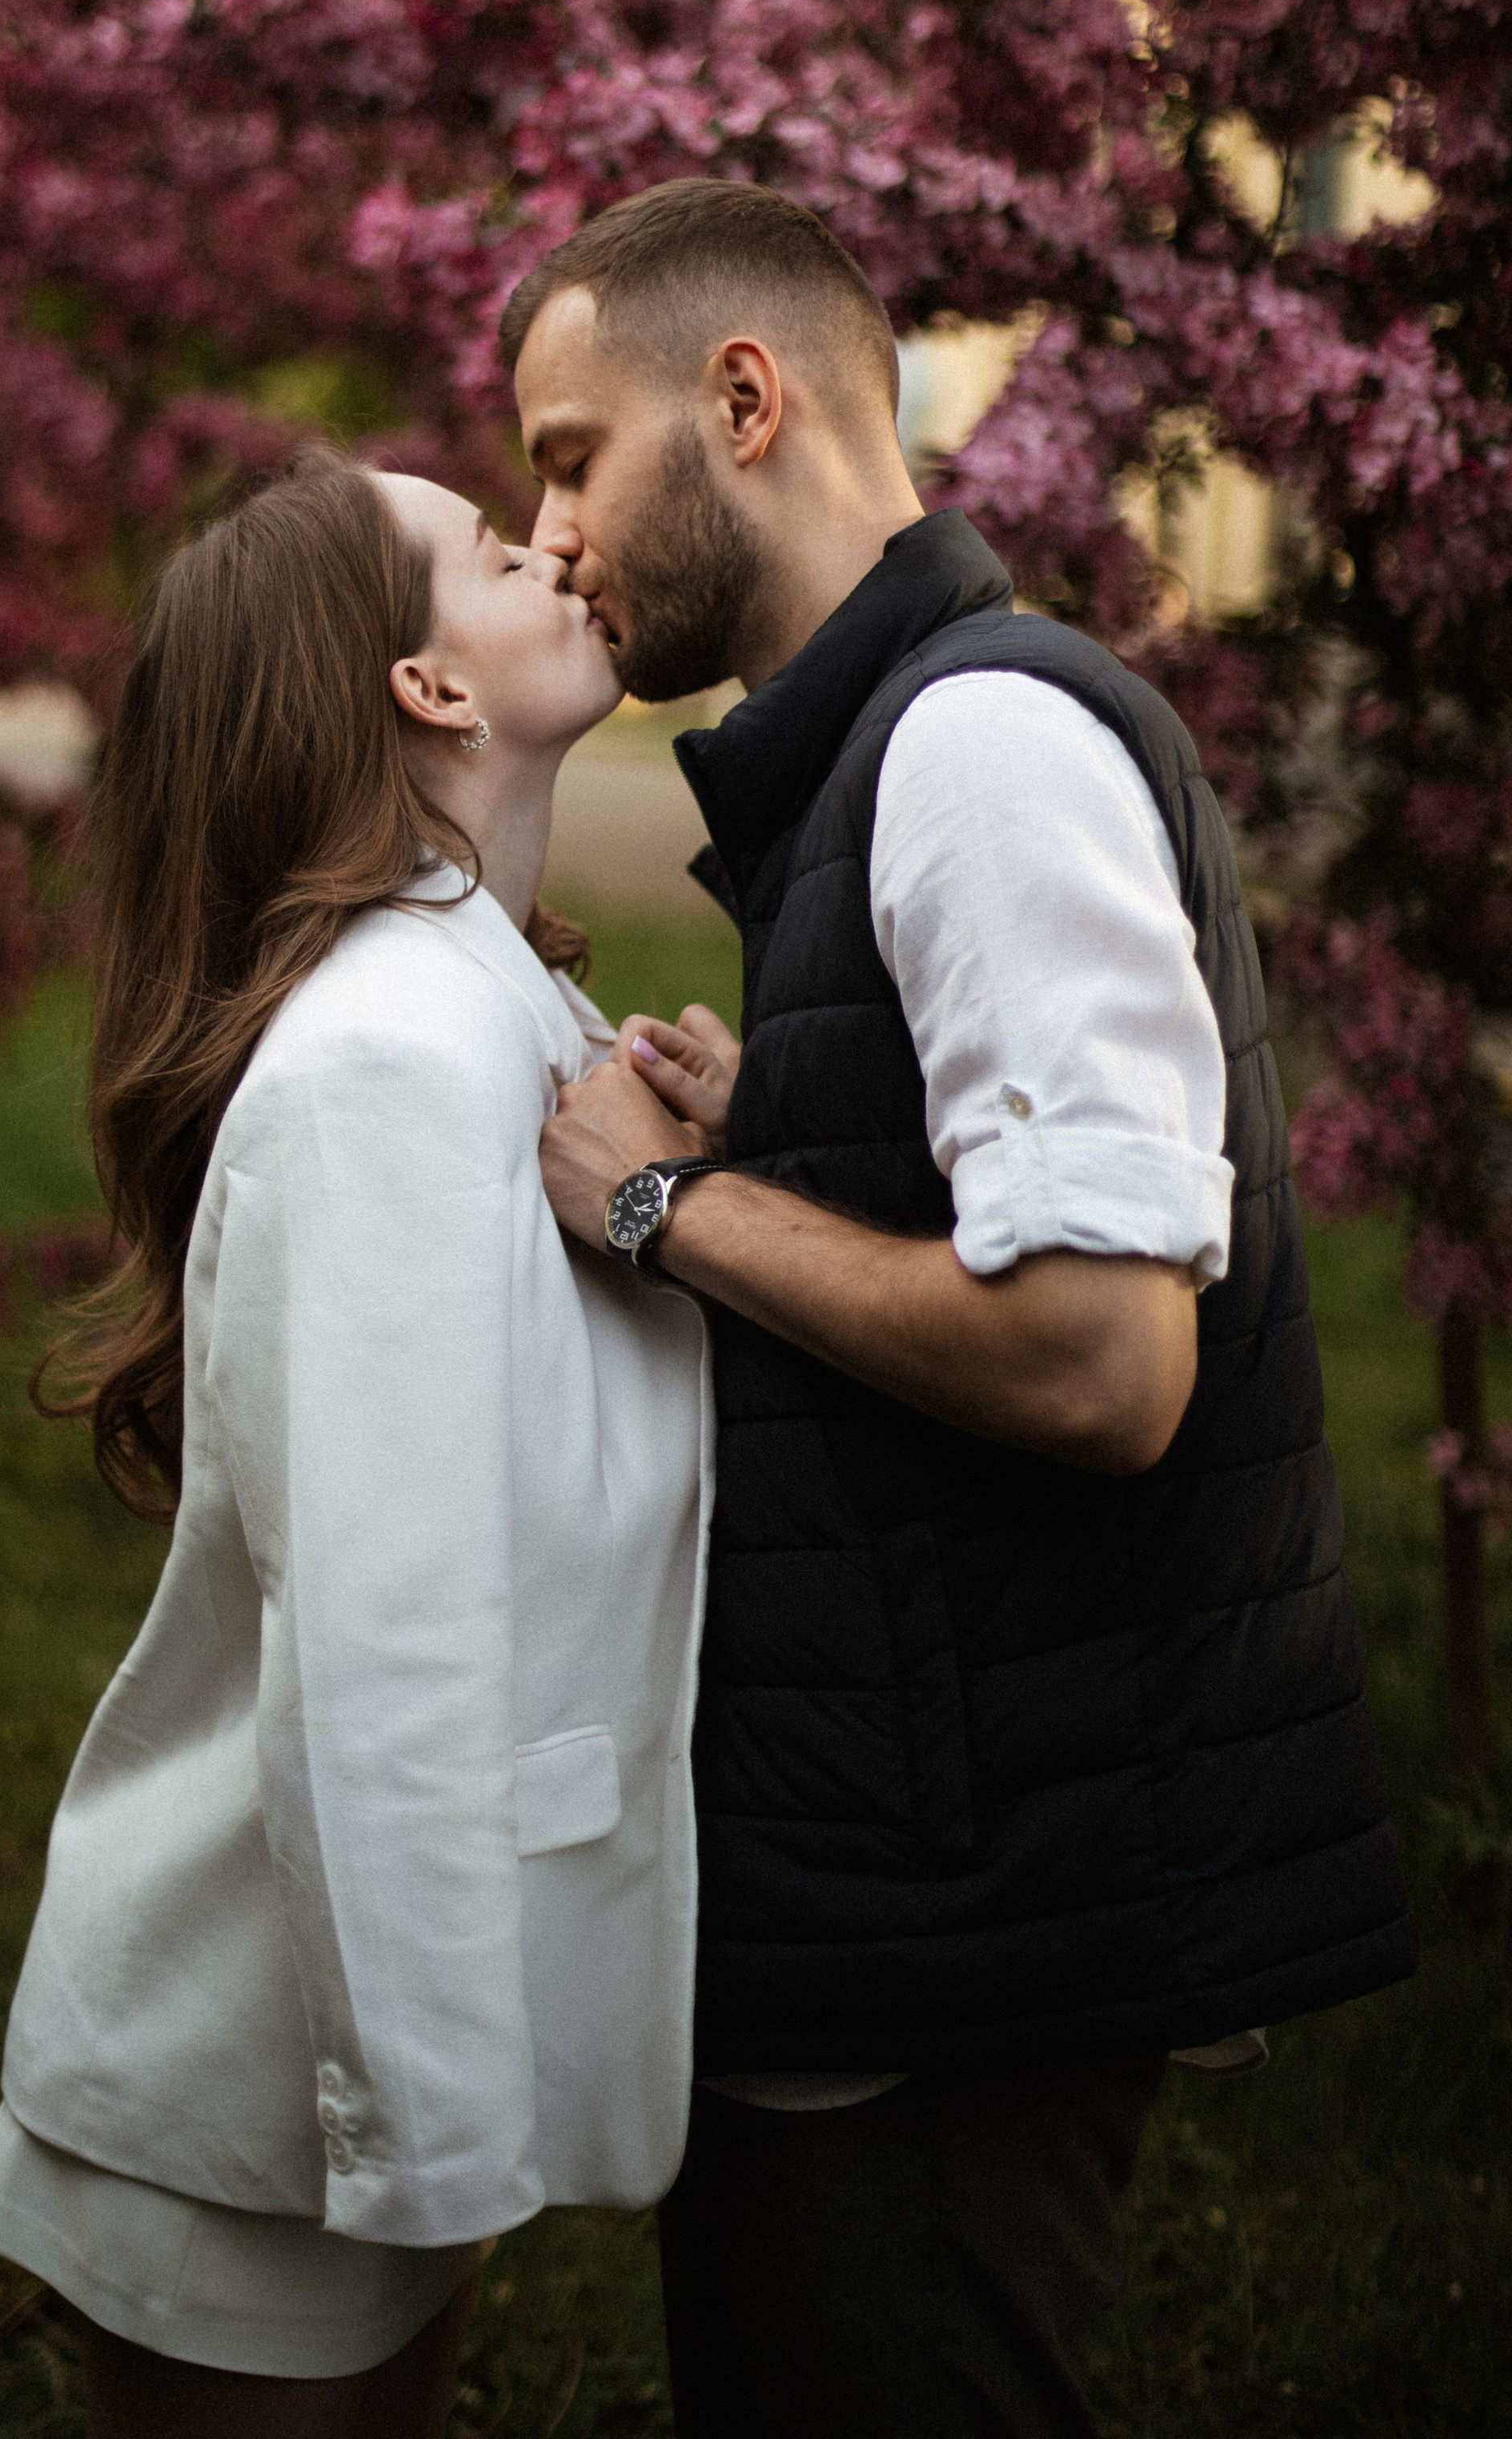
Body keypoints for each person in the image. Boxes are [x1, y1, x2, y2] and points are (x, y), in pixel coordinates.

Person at [510, 179, 1416, 2439]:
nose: (549, 538)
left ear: (742, 399)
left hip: (972, 1905)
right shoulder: (884, 758)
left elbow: (1108, 1359)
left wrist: (673, 1213)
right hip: (924, 1863)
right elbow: (996, 1206)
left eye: (564, 455)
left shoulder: (977, 751)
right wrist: (792, 1151)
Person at [0, 447, 714, 2439]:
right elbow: (375, 1660)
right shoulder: (386, 1060)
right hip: (268, 2090)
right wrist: (445, 2132)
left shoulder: (495, 1005)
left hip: (366, 2063)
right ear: (429, 691)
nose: (550, 536)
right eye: (485, 543)